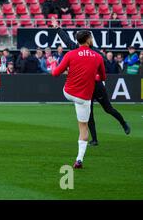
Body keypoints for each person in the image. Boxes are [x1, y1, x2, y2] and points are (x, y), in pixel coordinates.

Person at [52, 18, 130, 147]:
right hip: (86, 87)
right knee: (89, 115)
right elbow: (66, 40)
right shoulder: (80, 49)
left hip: (96, 86)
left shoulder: (96, 53)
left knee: (108, 109)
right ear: (87, 40)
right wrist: (57, 28)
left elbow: (103, 68)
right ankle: (94, 139)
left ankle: (123, 123)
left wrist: (95, 76)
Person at [52, 30, 106, 168]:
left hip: (68, 92)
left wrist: (58, 66)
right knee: (83, 127)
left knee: (75, 95)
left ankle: (79, 160)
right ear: (88, 40)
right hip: (84, 97)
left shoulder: (70, 54)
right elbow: (103, 77)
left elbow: (55, 73)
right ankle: (79, 159)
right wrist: (92, 75)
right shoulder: (98, 56)